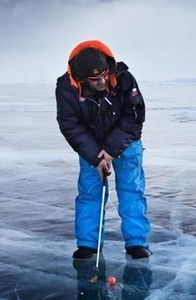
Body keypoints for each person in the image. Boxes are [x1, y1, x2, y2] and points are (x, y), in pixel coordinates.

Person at [56, 40, 151, 259]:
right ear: (81, 79)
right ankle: (88, 244)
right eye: (95, 79)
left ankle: (136, 242)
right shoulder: (66, 88)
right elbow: (70, 125)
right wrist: (97, 156)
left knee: (132, 189)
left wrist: (110, 151)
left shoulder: (125, 78)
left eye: (104, 75)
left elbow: (134, 117)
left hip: (126, 144)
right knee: (90, 192)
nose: (102, 81)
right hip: (92, 147)